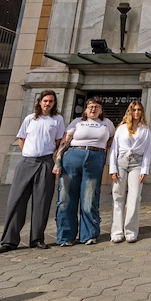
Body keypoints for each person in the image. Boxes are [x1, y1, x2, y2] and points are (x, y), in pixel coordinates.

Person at [0, 90, 66, 252]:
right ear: (39, 102)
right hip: (27, 162)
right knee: (16, 201)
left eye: (51, 101)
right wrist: (29, 153)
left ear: (54, 103)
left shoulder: (57, 120)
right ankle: (9, 241)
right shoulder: (30, 118)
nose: (47, 104)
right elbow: (22, 139)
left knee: (42, 203)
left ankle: (37, 239)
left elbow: (58, 142)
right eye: (45, 101)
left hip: (45, 163)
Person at [53, 96, 114, 246]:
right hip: (73, 157)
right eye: (90, 107)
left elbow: (111, 140)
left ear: (101, 110)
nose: (93, 109)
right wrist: (58, 161)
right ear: (86, 110)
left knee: (90, 198)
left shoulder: (107, 124)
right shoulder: (77, 122)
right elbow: (65, 142)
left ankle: (88, 235)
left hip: (95, 159)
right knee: (66, 198)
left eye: (97, 107)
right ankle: (66, 236)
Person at [108, 101, 151, 243]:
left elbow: (148, 151)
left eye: (139, 110)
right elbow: (114, 148)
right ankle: (117, 231)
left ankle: (131, 231)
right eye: (134, 110)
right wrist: (112, 168)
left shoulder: (145, 130)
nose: (136, 112)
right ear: (129, 112)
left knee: (134, 198)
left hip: (137, 163)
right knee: (118, 196)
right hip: (121, 161)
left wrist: (145, 170)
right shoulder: (121, 128)